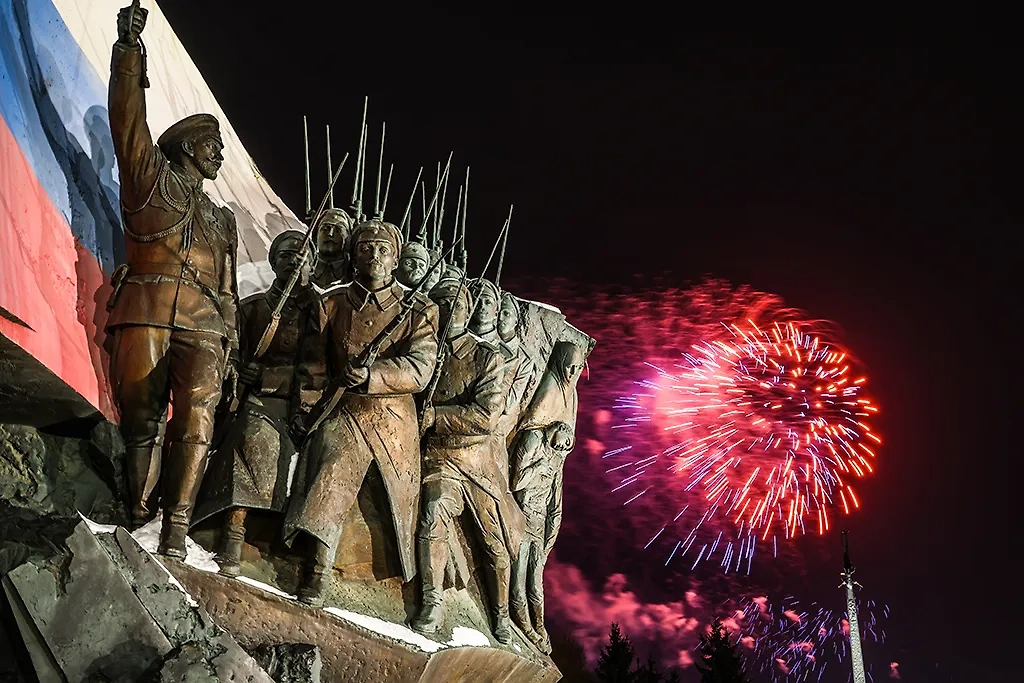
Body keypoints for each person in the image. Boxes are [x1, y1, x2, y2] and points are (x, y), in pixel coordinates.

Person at [106, 3, 239, 558]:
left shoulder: (224, 219)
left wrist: (230, 339)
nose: (221, 153)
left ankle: (176, 530)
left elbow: (229, 289)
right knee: (140, 421)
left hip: (205, 325)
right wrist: (130, 53)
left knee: (197, 421)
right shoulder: (149, 179)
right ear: (187, 145)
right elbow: (128, 120)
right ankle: (139, 515)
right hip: (145, 307)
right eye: (213, 144)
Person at [284, 220, 438, 606]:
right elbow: (313, 364)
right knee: (334, 458)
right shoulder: (332, 303)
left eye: (383, 250)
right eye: (366, 248)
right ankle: (318, 567)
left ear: (396, 258)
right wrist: (306, 409)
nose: (375, 257)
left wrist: (373, 374)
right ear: (353, 255)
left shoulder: (419, 310)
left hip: (392, 417)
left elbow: (420, 367)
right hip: (344, 407)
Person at [193, 230, 317, 577]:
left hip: (295, 405)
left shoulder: (319, 317)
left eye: (303, 258)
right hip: (251, 400)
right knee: (242, 429)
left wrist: (269, 378)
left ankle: (247, 539)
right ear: (274, 262)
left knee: (257, 434)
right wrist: (238, 370)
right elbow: (230, 350)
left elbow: (319, 370)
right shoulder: (252, 308)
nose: (295, 262)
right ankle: (228, 533)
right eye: (287, 255)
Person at [412, 275, 519, 644]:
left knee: (495, 543)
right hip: (439, 459)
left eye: (457, 303)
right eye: (442, 303)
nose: (450, 310)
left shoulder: (487, 358)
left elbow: (485, 416)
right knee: (434, 509)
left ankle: (501, 614)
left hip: (477, 463)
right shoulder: (423, 350)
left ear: (468, 308)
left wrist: (436, 416)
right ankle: (432, 599)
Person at [508, 421, 574, 653]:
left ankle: (539, 630)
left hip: (539, 526)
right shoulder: (533, 440)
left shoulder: (557, 460)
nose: (562, 450)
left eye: (566, 448)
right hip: (521, 519)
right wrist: (540, 466)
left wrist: (549, 540)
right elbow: (516, 483)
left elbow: (556, 505)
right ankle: (527, 630)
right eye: (562, 444)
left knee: (535, 587)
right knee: (517, 584)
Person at [311, 208, 352, 289]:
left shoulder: (354, 273)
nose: (330, 234)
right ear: (316, 236)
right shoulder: (303, 269)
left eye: (338, 230)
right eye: (325, 229)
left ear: (348, 239)